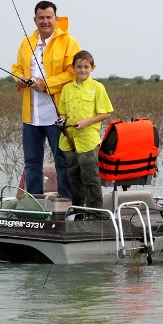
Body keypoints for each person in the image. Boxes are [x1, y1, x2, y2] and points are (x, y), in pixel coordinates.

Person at [11, 1, 81, 197]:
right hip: (31, 115)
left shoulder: (69, 42)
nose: (45, 21)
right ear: (35, 20)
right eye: (41, 17)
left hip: (57, 113)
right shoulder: (26, 42)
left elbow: (72, 72)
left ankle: (67, 200)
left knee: (62, 160)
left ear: (56, 19)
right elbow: (17, 67)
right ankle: (35, 201)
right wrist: (20, 79)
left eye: (49, 17)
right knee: (31, 162)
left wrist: (47, 84)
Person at [57, 51, 114, 210]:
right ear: (73, 68)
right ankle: (78, 210)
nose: (82, 70)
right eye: (79, 67)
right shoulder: (67, 88)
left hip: (88, 140)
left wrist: (86, 122)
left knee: (90, 178)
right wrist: (61, 119)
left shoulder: (97, 87)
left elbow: (106, 113)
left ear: (92, 68)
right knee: (74, 177)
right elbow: (63, 113)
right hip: (69, 140)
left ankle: (96, 212)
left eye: (86, 67)